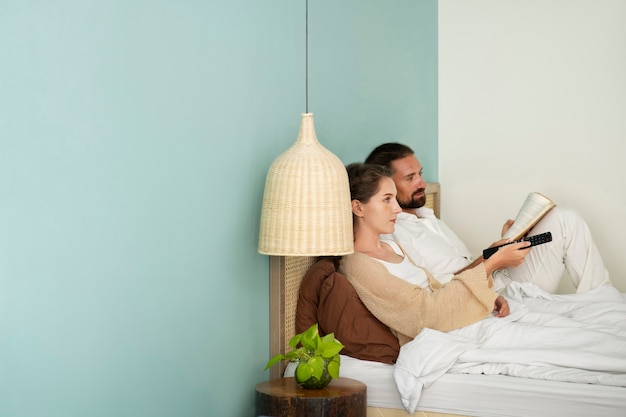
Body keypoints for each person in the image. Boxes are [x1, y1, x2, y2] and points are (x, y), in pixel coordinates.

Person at [365, 142, 613, 294]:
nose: (421, 183)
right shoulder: (394, 234)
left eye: (420, 174)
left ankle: (600, 297)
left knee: (563, 219)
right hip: (489, 290)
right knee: (563, 221)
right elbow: (438, 288)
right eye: (410, 178)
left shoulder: (427, 216)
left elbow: (461, 263)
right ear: (385, 184)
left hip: (495, 275)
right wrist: (491, 259)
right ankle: (601, 303)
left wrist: (504, 243)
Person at [339, 163, 528, 346]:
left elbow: (435, 288)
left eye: (395, 199)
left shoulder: (392, 247)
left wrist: (484, 295)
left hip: (450, 319)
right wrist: (491, 264)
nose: (397, 208)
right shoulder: (358, 264)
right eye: (387, 199)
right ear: (357, 208)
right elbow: (423, 314)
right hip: (436, 333)